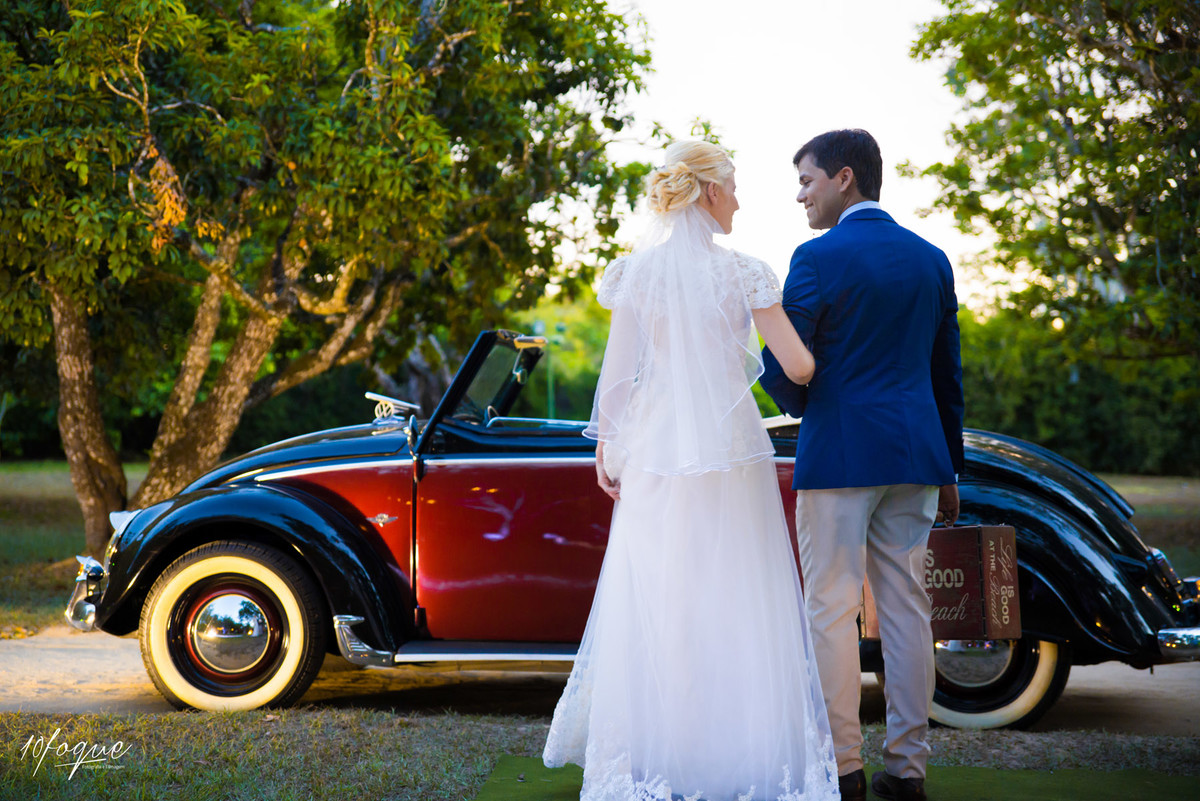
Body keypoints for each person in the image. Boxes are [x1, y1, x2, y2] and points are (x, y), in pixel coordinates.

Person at [543, 141, 841, 801]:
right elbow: (796, 367)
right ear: (708, 193)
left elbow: (615, 383)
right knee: (739, 598)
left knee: (662, 603)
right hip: (732, 453)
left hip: (654, 454)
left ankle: (662, 758)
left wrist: (608, 453)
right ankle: (736, 757)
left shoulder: (635, 274)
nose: (739, 198)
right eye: (732, 185)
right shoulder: (747, 274)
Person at [760, 129, 964, 801]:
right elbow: (946, 376)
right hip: (916, 457)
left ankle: (843, 767)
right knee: (907, 610)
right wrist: (949, 469)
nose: (801, 196)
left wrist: (798, 395)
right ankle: (907, 771)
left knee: (830, 607)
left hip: (840, 455)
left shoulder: (816, 257)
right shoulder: (932, 259)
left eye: (807, 181)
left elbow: (788, 374)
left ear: (844, 178)